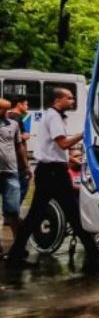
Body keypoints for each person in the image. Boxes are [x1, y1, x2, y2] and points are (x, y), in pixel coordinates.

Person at [7, 87, 99, 266]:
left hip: (52, 171)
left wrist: (69, 159)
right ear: (58, 100)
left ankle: (92, 251)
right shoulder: (53, 117)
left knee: (62, 212)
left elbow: (57, 148)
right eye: (69, 98)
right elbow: (63, 143)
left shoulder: (54, 116)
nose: (72, 101)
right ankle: (92, 251)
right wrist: (85, 133)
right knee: (61, 212)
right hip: (52, 173)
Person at [0, 98, 29, 260]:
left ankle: (19, 247)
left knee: (13, 212)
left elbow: (19, 147)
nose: (5, 112)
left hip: (10, 172)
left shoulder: (13, 124)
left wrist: (26, 166)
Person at [5, 94, 32, 205]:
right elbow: (17, 139)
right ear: (19, 104)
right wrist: (24, 136)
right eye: (26, 104)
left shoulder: (6, 116)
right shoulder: (17, 117)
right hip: (18, 159)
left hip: (8, 158)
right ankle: (13, 214)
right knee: (22, 186)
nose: (27, 107)